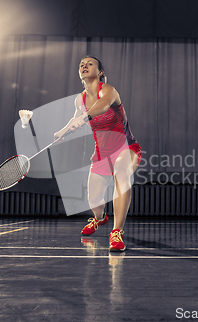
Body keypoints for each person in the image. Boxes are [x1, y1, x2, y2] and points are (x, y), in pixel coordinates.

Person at [54, 56, 141, 252]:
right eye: (81, 64)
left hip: (126, 148)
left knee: (122, 169)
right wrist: (62, 132)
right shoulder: (80, 100)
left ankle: (116, 232)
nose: (84, 66)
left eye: (89, 63)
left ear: (100, 72)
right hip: (101, 154)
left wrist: (85, 117)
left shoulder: (108, 90)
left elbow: (102, 106)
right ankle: (100, 219)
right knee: (94, 200)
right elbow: (74, 120)